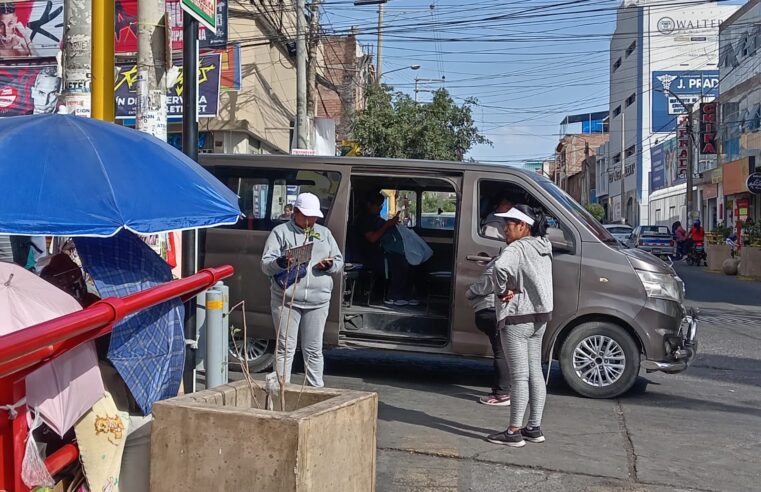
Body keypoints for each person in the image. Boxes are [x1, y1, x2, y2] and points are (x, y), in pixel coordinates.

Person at [487, 204, 553, 448]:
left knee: (519, 376)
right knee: (535, 372)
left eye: (509, 224)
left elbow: (500, 268)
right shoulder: (543, 245)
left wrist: (503, 291)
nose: (504, 229)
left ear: (523, 226)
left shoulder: (517, 247)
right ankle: (533, 427)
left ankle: (513, 431)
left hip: (518, 317)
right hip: (540, 316)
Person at [261, 192, 343, 387]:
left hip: (318, 301)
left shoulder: (324, 233)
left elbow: (339, 261)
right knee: (284, 348)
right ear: (295, 212)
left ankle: (316, 393)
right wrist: (280, 262)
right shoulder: (280, 232)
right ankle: (281, 392)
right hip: (286, 300)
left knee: (313, 349)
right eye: (306, 216)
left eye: (314, 216)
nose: (310, 220)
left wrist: (329, 265)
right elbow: (265, 265)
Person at [356, 192, 417, 306]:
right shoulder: (364, 219)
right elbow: (372, 238)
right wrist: (387, 225)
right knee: (399, 262)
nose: (380, 208)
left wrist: (392, 223)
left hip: (382, 250)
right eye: (378, 205)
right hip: (368, 254)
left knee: (409, 260)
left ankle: (407, 295)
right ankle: (394, 296)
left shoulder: (376, 218)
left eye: (381, 205)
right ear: (369, 204)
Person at [467, 257, 510, 406]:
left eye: (507, 231)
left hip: (494, 309)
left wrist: (470, 292)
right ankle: (516, 392)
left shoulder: (508, 256)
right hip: (501, 311)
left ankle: (502, 394)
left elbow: (488, 282)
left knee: (501, 352)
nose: (506, 234)